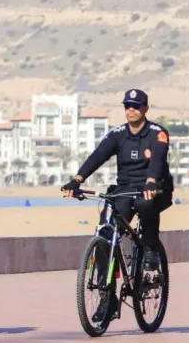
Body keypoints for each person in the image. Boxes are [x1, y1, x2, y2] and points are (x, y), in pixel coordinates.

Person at [62, 88, 174, 322]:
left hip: (155, 187)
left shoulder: (157, 133)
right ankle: (108, 298)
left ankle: (151, 248)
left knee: (146, 204)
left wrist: (151, 181)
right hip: (124, 189)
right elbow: (97, 156)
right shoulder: (117, 134)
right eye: (127, 106)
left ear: (145, 109)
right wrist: (78, 179)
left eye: (136, 106)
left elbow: (157, 159)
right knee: (106, 233)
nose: (131, 110)